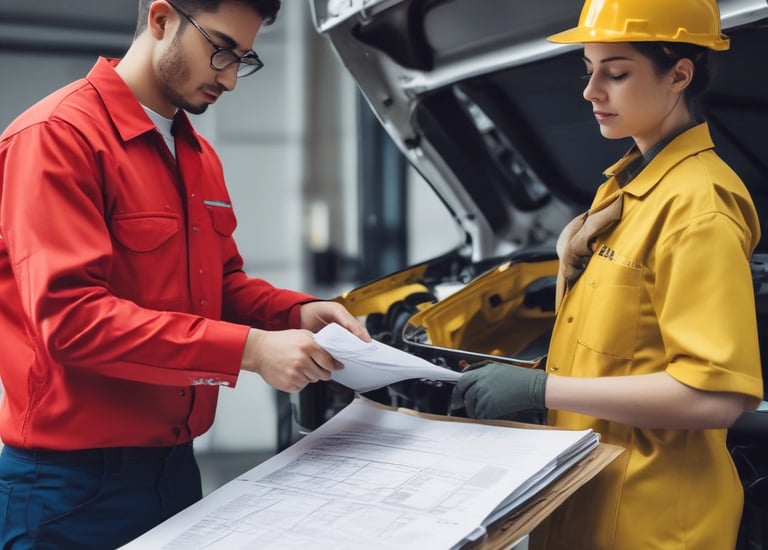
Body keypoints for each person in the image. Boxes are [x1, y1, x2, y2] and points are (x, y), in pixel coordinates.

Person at [0, 1, 370, 548]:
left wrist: (292, 312)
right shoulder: (56, 138)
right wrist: (251, 350)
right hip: (69, 490)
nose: (229, 78)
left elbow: (218, 286)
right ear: (161, 19)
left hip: (174, 472)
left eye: (243, 59)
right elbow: (72, 321)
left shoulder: (196, 153)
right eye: (220, 49)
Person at [457, 0, 763, 548]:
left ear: (679, 75)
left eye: (615, 73)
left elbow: (716, 398)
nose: (591, 91)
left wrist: (541, 388)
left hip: (653, 521)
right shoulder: (623, 188)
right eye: (589, 70)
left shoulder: (700, 208)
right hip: (584, 498)